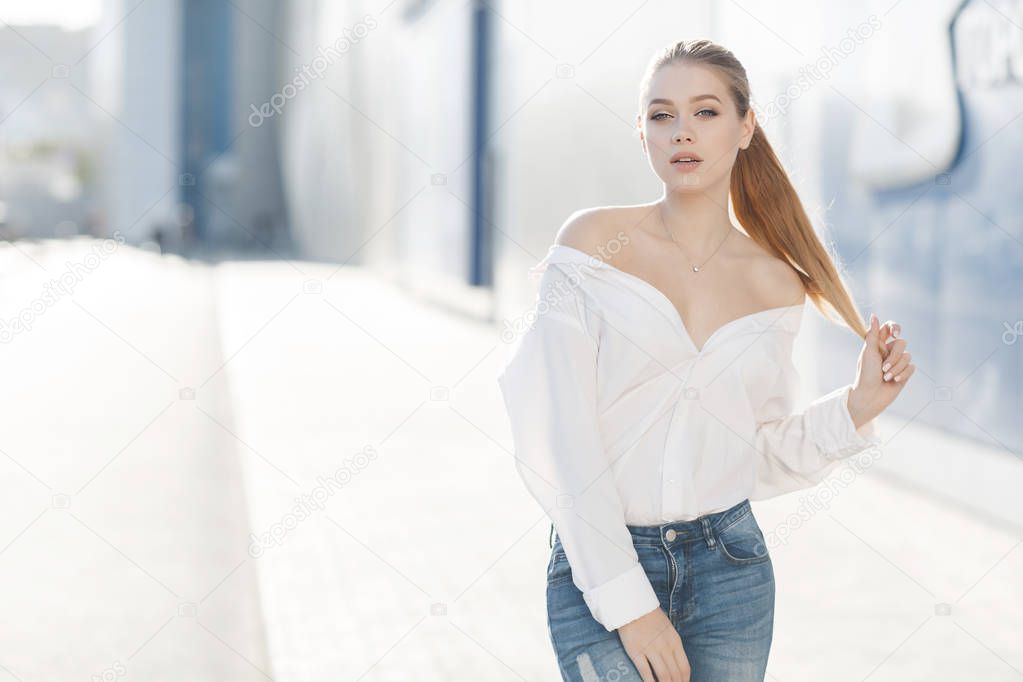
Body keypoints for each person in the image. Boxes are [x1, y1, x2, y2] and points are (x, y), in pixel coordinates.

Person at [495, 38, 913, 682]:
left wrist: (856, 409)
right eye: (662, 115)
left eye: (706, 112)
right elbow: (562, 438)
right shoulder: (589, 248)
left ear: (746, 127)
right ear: (642, 134)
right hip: (601, 566)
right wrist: (630, 604)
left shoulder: (776, 282)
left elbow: (754, 454)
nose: (682, 132)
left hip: (732, 569)